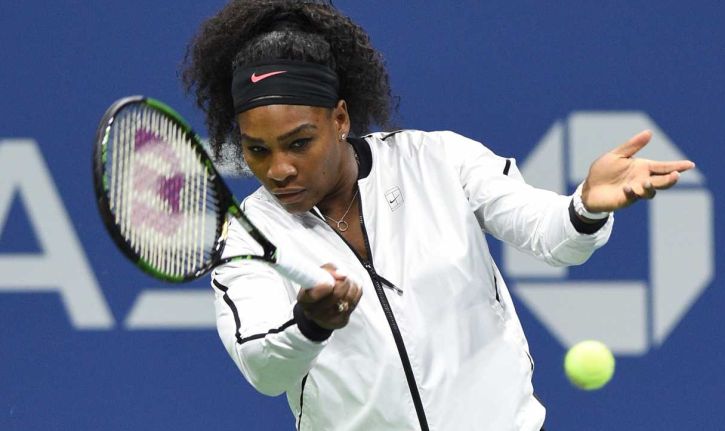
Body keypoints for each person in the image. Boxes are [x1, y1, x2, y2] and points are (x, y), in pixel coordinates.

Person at [181, 1, 695, 430]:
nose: (279, 169)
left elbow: (549, 234)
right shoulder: (247, 235)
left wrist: (583, 207)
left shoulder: (438, 160)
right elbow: (264, 369)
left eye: (299, 143)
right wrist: (310, 326)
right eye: (258, 151)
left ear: (340, 118)